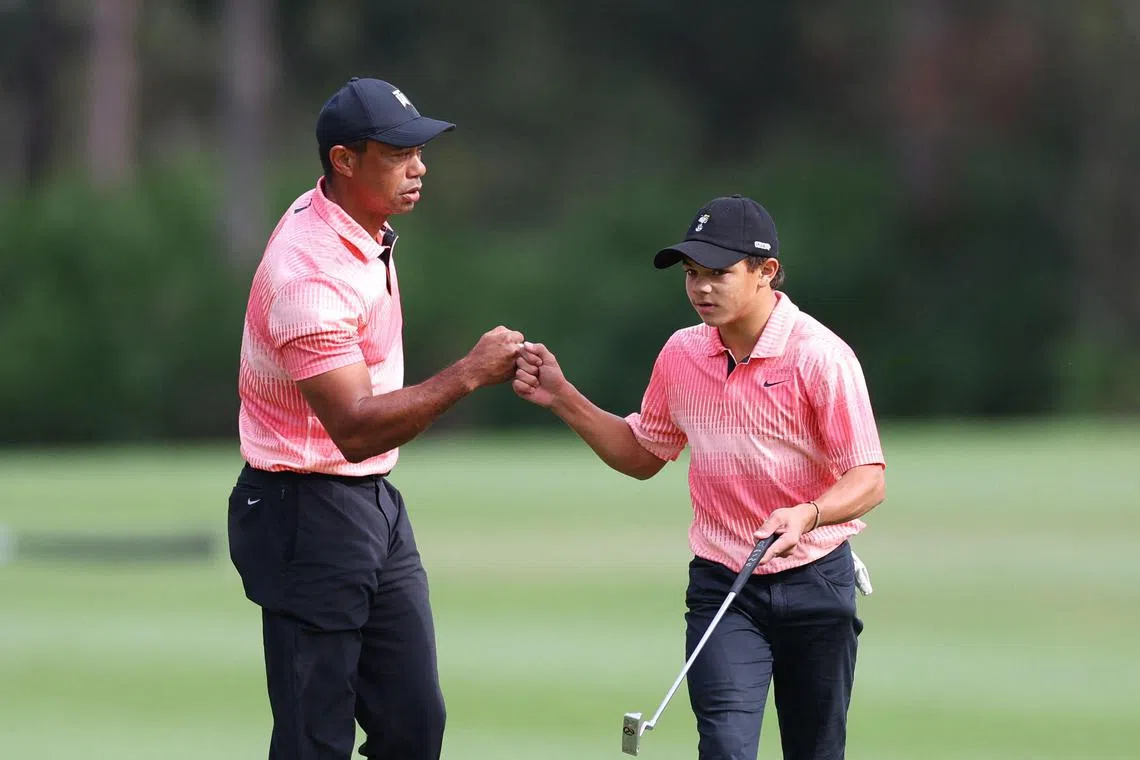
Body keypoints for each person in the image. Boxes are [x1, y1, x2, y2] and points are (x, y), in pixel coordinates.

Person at [513, 195, 886, 760]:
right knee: (725, 749)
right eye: (692, 274)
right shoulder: (682, 354)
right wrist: (563, 397)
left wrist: (807, 513)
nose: (701, 288)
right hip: (724, 585)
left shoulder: (820, 356)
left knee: (815, 751)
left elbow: (869, 478)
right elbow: (643, 453)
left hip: (816, 582)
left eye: (718, 273)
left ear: (767, 272)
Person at [227, 77, 524, 760]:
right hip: (303, 508)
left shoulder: (356, 220)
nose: (419, 166)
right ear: (344, 161)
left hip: (369, 501)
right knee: (314, 739)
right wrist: (468, 373)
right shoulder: (308, 274)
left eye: (420, 150)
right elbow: (355, 425)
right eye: (397, 152)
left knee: (414, 726)